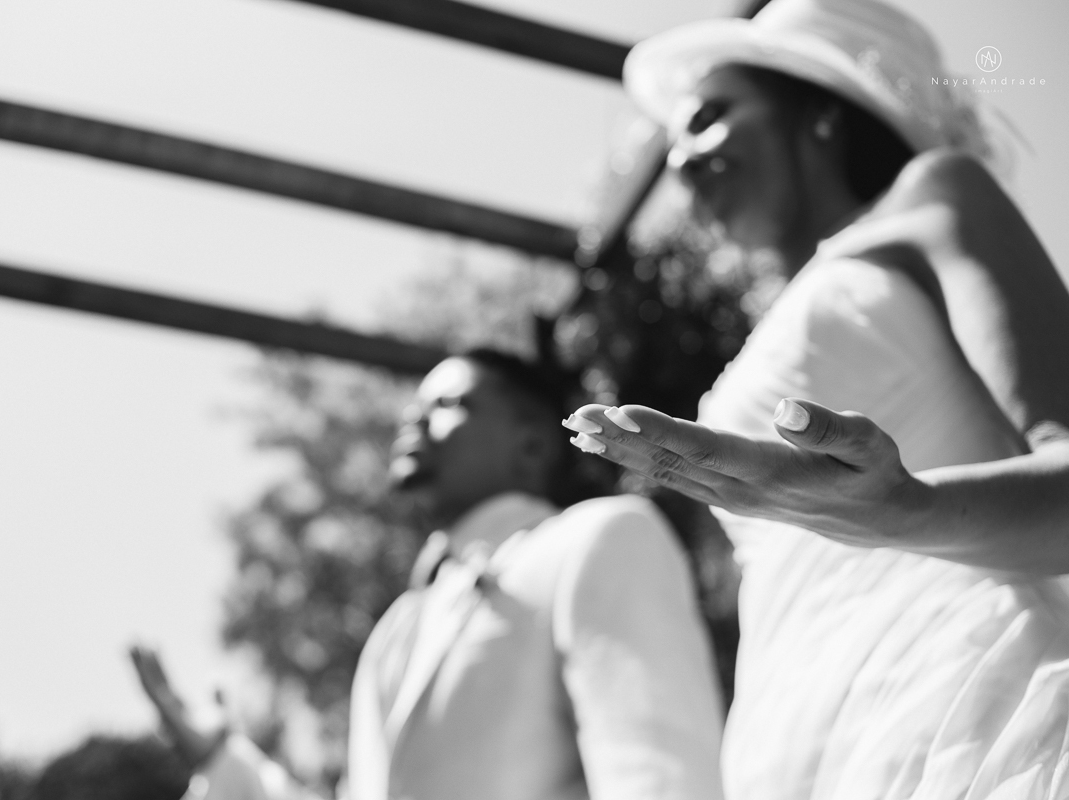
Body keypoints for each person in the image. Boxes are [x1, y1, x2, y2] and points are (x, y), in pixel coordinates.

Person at [560, 0, 1069, 797]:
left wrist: (908, 511)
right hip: (799, 748)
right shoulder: (780, 314)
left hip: (967, 719)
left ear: (822, 114)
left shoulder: (935, 197)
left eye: (711, 118)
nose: (682, 161)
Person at [134, 349, 726, 800]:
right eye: (414, 407)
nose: (413, 419)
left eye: (447, 405)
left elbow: (658, 770)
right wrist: (222, 759)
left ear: (532, 446)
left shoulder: (599, 539)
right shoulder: (396, 627)